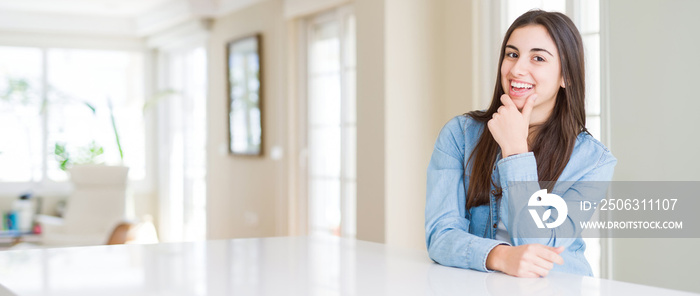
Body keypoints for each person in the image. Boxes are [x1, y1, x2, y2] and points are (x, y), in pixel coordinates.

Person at [424, 9, 616, 278]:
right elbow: (440, 236)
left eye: (538, 58)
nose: (516, 69)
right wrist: (500, 255)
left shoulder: (594, 162)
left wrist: (515, 151)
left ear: (566, 76)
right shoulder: (459, 135)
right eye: (512, 54)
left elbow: (536, 244)